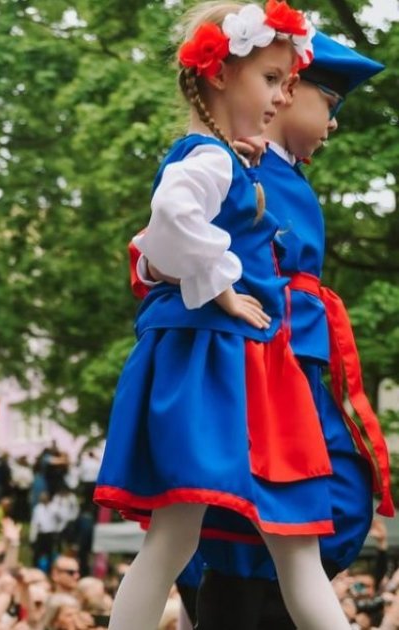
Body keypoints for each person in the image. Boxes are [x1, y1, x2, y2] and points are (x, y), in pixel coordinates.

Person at [93, 3, 347, 629]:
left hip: (254, 365)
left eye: (287, 82)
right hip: (220, 362)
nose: (280, 95)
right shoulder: (207, 157)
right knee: (197, 538)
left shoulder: (233, 159)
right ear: (218, 74)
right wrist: (223, 284)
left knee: (279, 544)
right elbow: (168, 221)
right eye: (269, 78)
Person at [149, 30, 392, 630]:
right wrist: (171, 270)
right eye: (328, 104)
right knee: (247, 537)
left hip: (290, 366)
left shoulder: (266, 169)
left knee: (306, 519)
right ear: (287, 91)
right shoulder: (221, 160)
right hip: (254, 366)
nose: (332, 124)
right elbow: (161, 243)